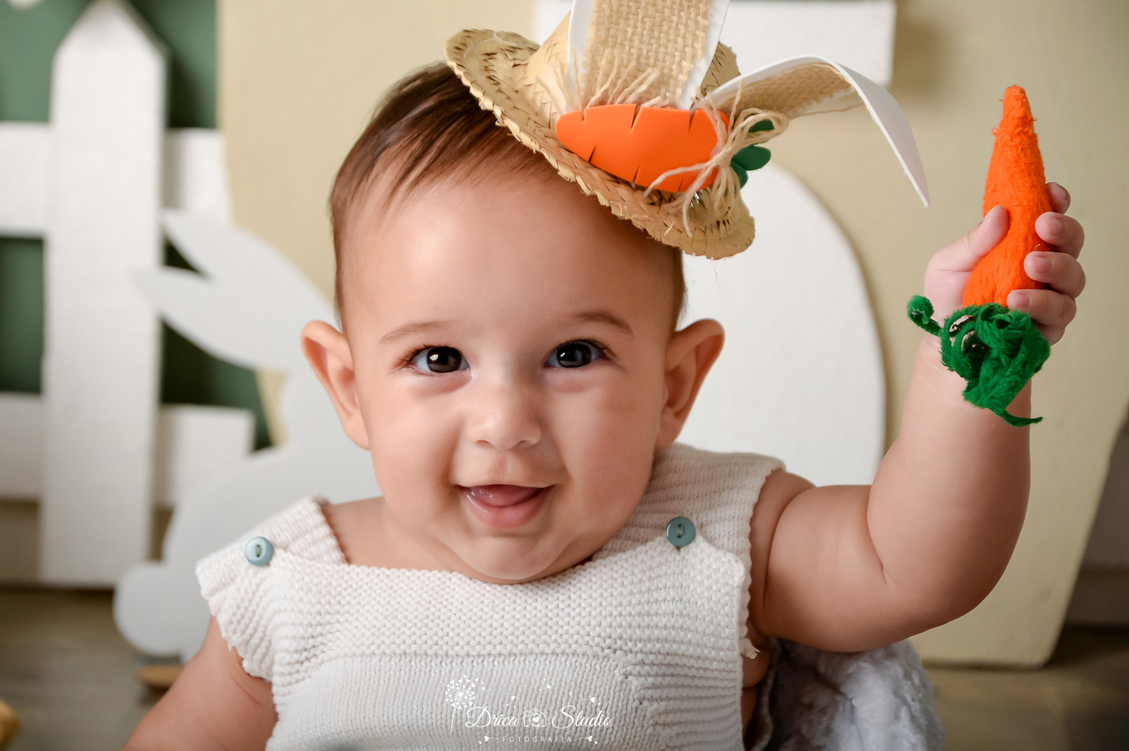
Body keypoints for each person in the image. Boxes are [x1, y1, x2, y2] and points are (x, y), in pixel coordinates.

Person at [122, 59, 1086, 750]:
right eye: (439, 357)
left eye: (573, 354)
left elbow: (914, 564)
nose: (505, 420)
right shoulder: (288, 586)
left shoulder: (721, 537)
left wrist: (973, 368)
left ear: (673, 387)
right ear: (349, 388)